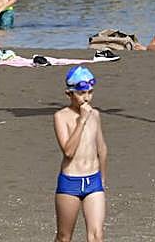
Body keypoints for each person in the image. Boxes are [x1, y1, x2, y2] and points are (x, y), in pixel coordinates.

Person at [53, 66, 107, 242]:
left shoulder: (96, 115)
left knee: (96, 235)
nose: (87, 98)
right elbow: (68, 151)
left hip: (93, 180)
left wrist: (102, 178)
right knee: (64, 236)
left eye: (90, 92)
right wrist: (82, 120)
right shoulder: (61, 116)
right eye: (82, 93)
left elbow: (102, 148)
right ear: (69, 94)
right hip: (70, 182)